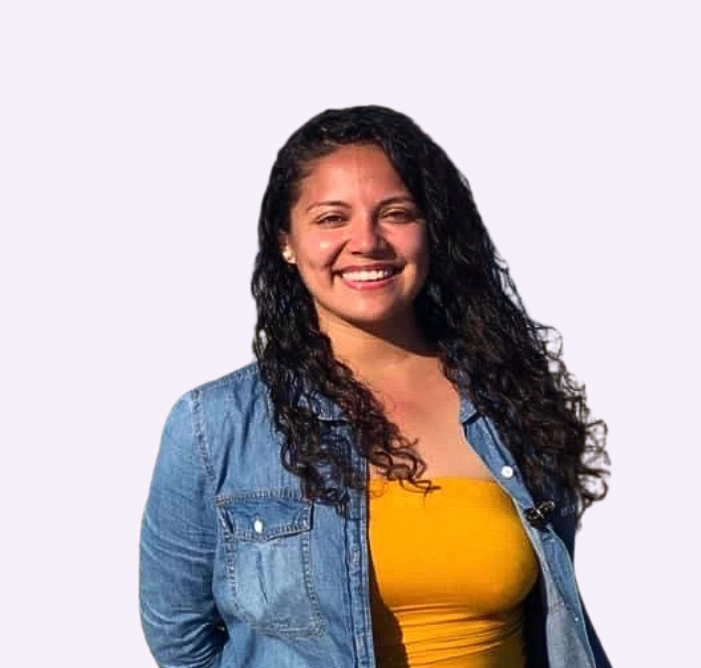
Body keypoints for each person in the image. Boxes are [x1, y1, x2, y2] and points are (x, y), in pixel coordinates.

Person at [140, 105, 612, 668]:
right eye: (331, 218)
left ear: (431, 230)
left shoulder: (510, 402)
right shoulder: (215, 425)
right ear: (286, 241)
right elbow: (181, 640)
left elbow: (554, 622)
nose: (367, 241)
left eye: (395, 214)